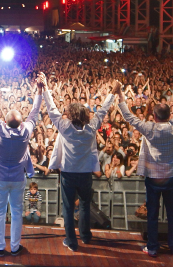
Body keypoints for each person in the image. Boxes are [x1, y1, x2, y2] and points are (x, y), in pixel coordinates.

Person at [116, 73, 173, 257]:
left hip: (154, 179)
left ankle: (153, 247)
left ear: (154, 116)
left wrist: (119, 94)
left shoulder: (149, 128)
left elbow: (128, 116)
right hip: (172, 177)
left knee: (152, 214)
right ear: (169, 115)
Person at [46, 74, 117, 252]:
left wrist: (45, 88)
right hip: (85, 173)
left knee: (68, 209)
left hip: (68, 173)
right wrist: (113, 93)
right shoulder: (92, 127)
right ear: (85, 115)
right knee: (85, 205)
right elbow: (103, 110)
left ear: (70, 115)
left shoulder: (64, 127)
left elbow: (51, 109)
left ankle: (72, 242)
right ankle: (85, 236)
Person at [0, 73, 42, 257]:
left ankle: (0, 247)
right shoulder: (25, 132)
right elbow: (35, 112)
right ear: (21, 122)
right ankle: (15, 247)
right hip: (17, 179)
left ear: (5, 122)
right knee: (16, 212)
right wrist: (39, 91)